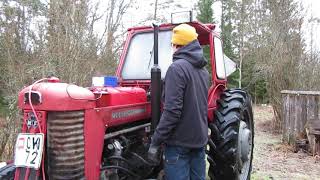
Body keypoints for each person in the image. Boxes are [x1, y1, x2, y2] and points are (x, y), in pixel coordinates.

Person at [148, 23, 209, 180]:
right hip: (199, 141)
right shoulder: (203, 72)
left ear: (178, 45)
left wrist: (156, 141)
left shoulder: (177, 69)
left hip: (179, 144)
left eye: (173, 44)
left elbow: (172, 112)